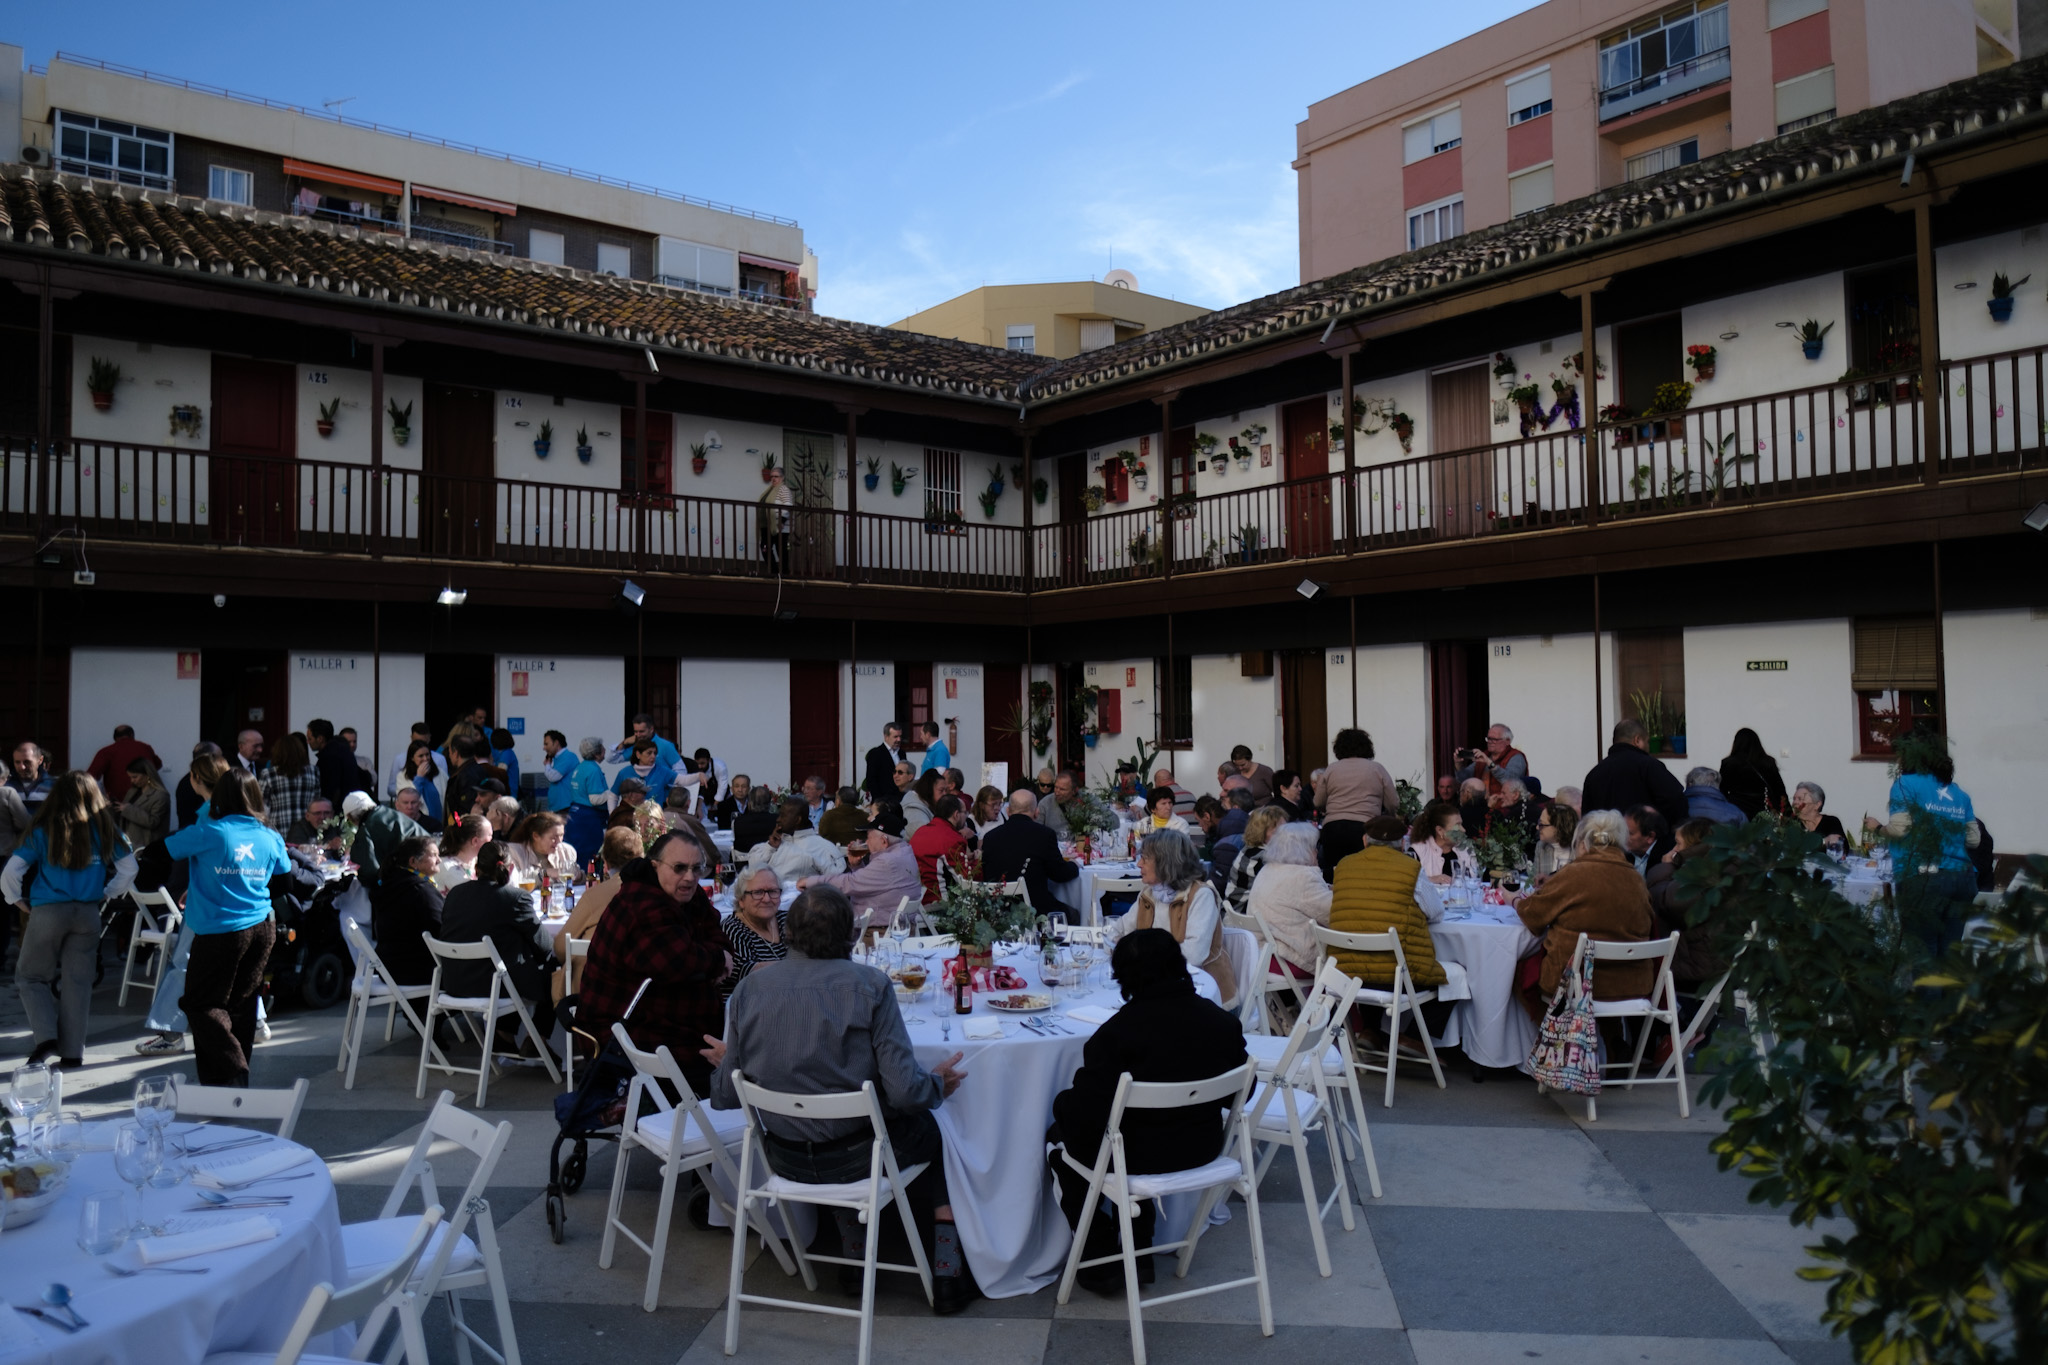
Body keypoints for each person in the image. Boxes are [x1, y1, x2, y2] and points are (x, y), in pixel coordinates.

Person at [704, 883, 975, 1311]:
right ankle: (947, 1255)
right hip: (856, 1159)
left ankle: (854, 1251)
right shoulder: (870, 986)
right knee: (935, 1125)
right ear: (849, 935)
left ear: (788, 932)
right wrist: (937, 1083)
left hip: (783, 1157)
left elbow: (723, 1097)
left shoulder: (748, 992)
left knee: (848, 1120)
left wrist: (731, 1066)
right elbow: (906, 1093)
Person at [1046, 926, 1247, 1294]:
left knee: (1060, 1141)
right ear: (1180, 965)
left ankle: (1100, 1255)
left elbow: (1085, 1119)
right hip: (1202, 1147)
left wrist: (1058, 1105)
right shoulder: (1222, 1024)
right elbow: (1239, 1097)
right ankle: (1139, 1246)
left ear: (1123, 978)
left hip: (1136, 1157)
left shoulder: (1115, 1036)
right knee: (1126, 1135)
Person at [164, 769, 290, 1085]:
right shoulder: (269, 834)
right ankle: (229, 1088)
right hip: (262, 926)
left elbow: (164, 851)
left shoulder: (211, 831)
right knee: (241, 1006)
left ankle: (233, 1066)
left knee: (199, 1004)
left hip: (221, 930)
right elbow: (284, 880)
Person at [2, 772, 137, 1066]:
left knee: (30, 976)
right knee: (78, 983)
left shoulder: (44, 828)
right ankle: (73, 1053)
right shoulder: (106, 829)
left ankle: (46, 1037)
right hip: (87, 913)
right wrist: (108, 893)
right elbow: (129, 868)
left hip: (49, 911)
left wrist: (16, 901)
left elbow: (11, 872)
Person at [579, 829, 728, 1093]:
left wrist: (713, 957)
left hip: (667, 1021)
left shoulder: (686, 895)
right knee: (735, 1068)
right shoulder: (642, 903)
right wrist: (717, 959)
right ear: (655, 866)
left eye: (697, 868)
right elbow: (679, 962)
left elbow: (717, 933)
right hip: (627, 1033)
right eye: (680, 868)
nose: (690, 877)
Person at [1511, 809, 1656, 1022]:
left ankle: (1544, 1044)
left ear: (1582, 844)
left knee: (1516, 969)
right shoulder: (1636, 879)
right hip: (1631, 985)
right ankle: (1609, 1043)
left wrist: (1513, 900)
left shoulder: (1574, 873)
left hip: (1574, 984)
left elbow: (1533, 918)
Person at [1327, 815, 1450, 1023]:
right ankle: (1416, 1040)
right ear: (1402, 844)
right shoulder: (1411, 868)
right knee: (1457, 977)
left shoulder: (1343, 866)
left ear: (1365, 840)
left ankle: (1373, 1033)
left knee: (1371, 961)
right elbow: (1435, 912)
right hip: (1397, 976)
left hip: (1345, 972)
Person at [439, 841, 556, 1041]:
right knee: (556, 969)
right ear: (510, 868)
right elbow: (545, 947)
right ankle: (538, 1039)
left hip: (454, 982)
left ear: (476, 868)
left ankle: (505, 1036)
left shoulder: (455, 894)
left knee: (509, 958)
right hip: (494, 985)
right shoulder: (515, 897)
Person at [1108, 829, 1236, 1006]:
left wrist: (1137, 954)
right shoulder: (1149, 893)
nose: (1138, 864)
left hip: (1202, 996)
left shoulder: (1200, 896)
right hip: (1156, 988)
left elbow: (1194, 955)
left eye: (1145, 858)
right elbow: (1118, 931)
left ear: (1165, 863)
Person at [1878, 731, 1980, 956]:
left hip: (1923, 877)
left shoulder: (1905, 783)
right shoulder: (1960, 794)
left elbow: (1899, 828)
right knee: (1948, 957)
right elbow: (1974, 839)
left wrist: (1877, 828)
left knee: (1923, 957)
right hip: (1962, 879)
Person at [552, 826, 641, 1001]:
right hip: (642, 991)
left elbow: (561, 947)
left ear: (605, 862)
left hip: (594, 991)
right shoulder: (654, 890)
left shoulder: (595, 896)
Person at [804, 805, 921, 931]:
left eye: (869, 837)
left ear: (883, 841)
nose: (867, 841)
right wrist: (857, 866)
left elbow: (849, 884)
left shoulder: (887, 862)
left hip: (876, 933)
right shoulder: (904, 850)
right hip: (894, 926)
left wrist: (810, 882)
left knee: (817, 924)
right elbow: (873, 883)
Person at [1245, 821, 1331, 977]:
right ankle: (1324, 1001)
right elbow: (1334, 914)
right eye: (1314, 847)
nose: (1317, 852)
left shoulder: (1268, 869)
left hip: (1261, 954)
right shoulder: (1303, 875)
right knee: (1344, 958)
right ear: (1303, 849)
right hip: (1289, 960)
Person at [1313, 727, 1401, 879]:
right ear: (1367, 747)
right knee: (1363, 874)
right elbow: (1393, 803)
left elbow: (1318, 801)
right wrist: (1389, 815)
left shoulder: (1331, 769)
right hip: (1365, 828)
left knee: (1335, 874)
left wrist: (1327, 809)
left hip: (1333, 829)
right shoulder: (1376, 769)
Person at [1646, 818, 1723, 992]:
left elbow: (1671, 902)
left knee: (1634, 967)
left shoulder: (1702, 869)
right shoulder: (1724, 864)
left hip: (1697, 966)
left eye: (1678, 844)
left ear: (1694, 846)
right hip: (1716, 960)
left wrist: (1667, 866)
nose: (1674, 850)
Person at [980, 789, 1080, 919]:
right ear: (1036, 812)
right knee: (1074, 914)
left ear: (1008, 811)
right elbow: (1059, 874)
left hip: (998, 911)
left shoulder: (990, 837)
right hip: (1035, 910)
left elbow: (988, 874)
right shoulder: (1044, 835)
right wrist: (1074, 866)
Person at [1581, 719, 1687, 832]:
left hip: (1607, 844)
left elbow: (1587, 818)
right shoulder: (1649, 766)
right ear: (1637, 740)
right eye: (1647, 742)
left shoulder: (1594, 774)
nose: (1648, 747)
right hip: (1645, 843)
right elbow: (1675, 799)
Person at [372, 834, 444, 987]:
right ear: (413, 862)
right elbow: (439, 927)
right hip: (414, 970)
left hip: (389, 968)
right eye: (434, 855)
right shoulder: (419, 889)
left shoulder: (391, 883)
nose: (439, 860)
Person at [720, 865, 788, 999]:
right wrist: (800, 967)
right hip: (748, 1005)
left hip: (788, 997)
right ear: (741, 900)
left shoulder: (787, 920)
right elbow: (746, 972)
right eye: (758, 893)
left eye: (773, 891)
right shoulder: (732, 928)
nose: (767, 899)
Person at [745, 798, 850, 883]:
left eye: (783, 816)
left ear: (797, 820)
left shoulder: (822, 847)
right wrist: (770, 847)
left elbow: (839, 881)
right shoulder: (775, 843)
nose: (778, 819)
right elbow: (752, 868)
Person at [342, 789, 427, 891]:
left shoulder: (366, 828)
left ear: (351, 817)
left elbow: (369, 871)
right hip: (429, 860)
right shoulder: (388, 812)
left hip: (413, 875)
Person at [1221, 805, 1287, 914]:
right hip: (1244, 915)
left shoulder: (1248, 850)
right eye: (1278, 831)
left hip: (1235, 913)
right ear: (1261, 832)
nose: (1285, 835)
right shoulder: (1262, 858)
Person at [909, 795, 970, 903]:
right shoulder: (952, 839)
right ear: (956, 815)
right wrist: (977, 860)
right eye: (964, 812)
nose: (966, 816)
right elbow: (966, 880)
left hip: (916, 901)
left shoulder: (919, 832)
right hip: (939, 904)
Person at [1718, 727, 1789, 819]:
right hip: (1762, 810)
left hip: (1737, 810)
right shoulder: (1767, 763)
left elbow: (1722, 790)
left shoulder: (1728, 763)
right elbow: (1779, 790)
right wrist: (1788, 814)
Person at [260, 732, 320, 837]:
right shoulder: (313, 771)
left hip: (278, 829)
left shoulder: (268, 774)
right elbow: (317, 800)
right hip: (306, 829)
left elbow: (263, 807)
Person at [86, 724, 161, 804]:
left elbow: (89, 777)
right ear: (132, 735)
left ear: (114, 738)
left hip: (119, 802)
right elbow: (157, 765)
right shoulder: (146, 748)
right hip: (148, 800)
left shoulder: (106, 752)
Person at [562, 737, 610, 861]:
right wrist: (613, 793)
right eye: (603, 748)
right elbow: (595, 799)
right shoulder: (593, 769)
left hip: (575, 814)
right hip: (588, 819)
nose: (605, 750)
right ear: (597, 752)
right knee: (590, 856)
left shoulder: (580, 767)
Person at [506, 810, 580, 883]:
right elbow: (514, 883)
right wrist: (545, 874)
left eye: (561, 835)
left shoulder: (567, 851)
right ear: (536, 836)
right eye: (553, 838)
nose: (559, 841)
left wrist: (579, 876)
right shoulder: (514, 852)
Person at [1455, 723, 1529, 796]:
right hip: (1482, 805)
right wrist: (1458, 764)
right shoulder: (1485, 755)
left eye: (1494, 739)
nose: (1490, 742)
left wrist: (1490, 763)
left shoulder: (1516, 757)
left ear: (1507, 741)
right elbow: (1464, 780)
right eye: (1489, 738)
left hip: (1505, 805)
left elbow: (1510, 781)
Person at [117, 757, 170, 851]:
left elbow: (153, 821)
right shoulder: (133, 791)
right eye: (130, 777)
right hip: (129, 843)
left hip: (146, 846)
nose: (132, 781)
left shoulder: (160, 795)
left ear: (147, 775)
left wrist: (128, 809)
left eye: (135, 777)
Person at [306, 719, 362, 805]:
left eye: (310, 738)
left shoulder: (328, 758)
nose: (308, 742)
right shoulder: (343, 752)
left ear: (320, 739)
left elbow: (331, 789)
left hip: (339, 809)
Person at [1409, 800, 1466, 883]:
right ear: (1440, 830)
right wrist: (1431, 880)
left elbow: (1477, 880)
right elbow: (1407, 880)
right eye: (1457, 825)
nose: (1463, 830)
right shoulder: (1418, 851)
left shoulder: (1465, 850)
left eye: (1462, 824)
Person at [435, 813, 492, 893]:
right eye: (489, 835)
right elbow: (475, 895)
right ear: (475, 841)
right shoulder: (448, 867)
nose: (491, 840)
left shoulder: (476, 860)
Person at [613, 737, 675, 810]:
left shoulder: (662, 771)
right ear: (638, 754)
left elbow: (682, 780)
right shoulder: (624, 772)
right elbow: (613, 795)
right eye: (649, 753)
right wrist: (612, 813)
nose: (653, 756)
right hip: (630, 816)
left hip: (655, 817)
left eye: (655, 753)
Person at [608, 714, 682, 770]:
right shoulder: (636, 747)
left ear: (651, 729)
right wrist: (623, 743)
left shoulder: (666, 745)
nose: (638, 735)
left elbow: (680, 769)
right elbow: (611, 760)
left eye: (641, 731)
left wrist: (670, 786)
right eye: (636, 732)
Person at [384, 722, 437, 800]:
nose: (425, 759)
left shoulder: (440, 759)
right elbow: (391, 788)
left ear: (429, 738)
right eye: (416, 743)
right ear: (411, 738)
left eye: (424, 743)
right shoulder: (399, 759)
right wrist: (404, 790)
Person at [1790, 781, 1846, 848]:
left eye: (1800, 799)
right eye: (1794, 799)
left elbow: (1842, 847)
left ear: (1817, 805)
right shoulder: (1791, 823)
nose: (1795, 802)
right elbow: (1795, 849)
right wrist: (1824, 841)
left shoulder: (1831, 822)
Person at [862, 720, 905, 805]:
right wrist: (879, 802)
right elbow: (871, 780)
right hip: (883, 801)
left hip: (899, 800)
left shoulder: (901, 753)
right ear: (886, 737)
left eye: (900, 736)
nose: (899, 739)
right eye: (895, 737)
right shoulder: (875, 753)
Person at [1533, 801, 1578, 880]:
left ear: (1558, 827)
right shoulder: (1541, 846)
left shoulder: (1579, 850)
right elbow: (1536, 882)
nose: (1537, 827)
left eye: (1541, 824)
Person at [8, 742, 54, 814]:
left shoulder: (53, 786)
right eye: (17, 762)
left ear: (40, 760)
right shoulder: (6, 785)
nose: (22, 767)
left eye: (27, 762)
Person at [1624, 805, 1673, 873]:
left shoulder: (1667, 860)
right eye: (1622, 830)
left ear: (1650, 837)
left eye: (1630, 833)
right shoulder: (1619, 853)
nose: (1622, 836)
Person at [732, 785, 778, 855]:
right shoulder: (777, 821)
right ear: (769, 803)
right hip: (772, 862)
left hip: (744, 862)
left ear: (749, 803)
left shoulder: (738, 822)